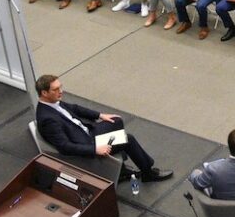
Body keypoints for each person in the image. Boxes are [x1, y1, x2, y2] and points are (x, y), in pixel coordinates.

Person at [35, 74, 172, 182]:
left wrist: (100, 115)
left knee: (115, 121)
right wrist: (95, 149)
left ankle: (120, 169)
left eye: (60, 87)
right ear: (44, 93)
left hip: (87, 133)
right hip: (87, 143)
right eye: (56, 89)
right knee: (127, 139)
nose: (61, 91)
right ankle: (148, 173)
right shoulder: (48, 119)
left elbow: (75, 108)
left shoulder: (53, 103)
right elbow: (65, 147)